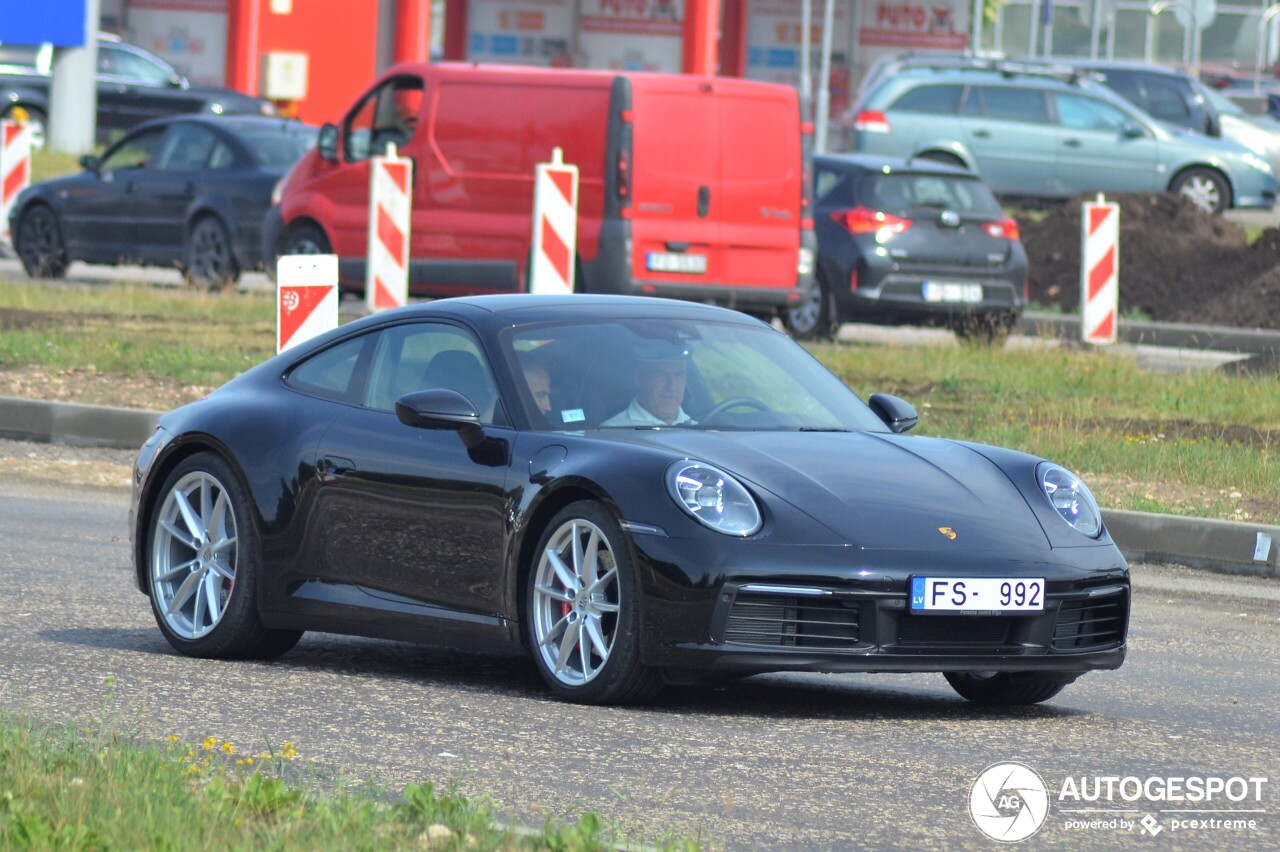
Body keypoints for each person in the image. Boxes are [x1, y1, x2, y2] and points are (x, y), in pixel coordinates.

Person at [601, 341, 695, 427]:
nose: (672, 386)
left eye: (679, 375)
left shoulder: (698, 430)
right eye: (662, 375)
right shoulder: (612, 432)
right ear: (640, 379)